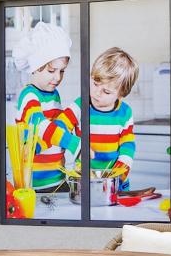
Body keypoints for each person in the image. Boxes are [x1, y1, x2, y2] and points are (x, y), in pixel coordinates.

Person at [44, 46, 138, 197]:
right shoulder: (80, 105)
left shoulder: (125, 113)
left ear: (121, 94)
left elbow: (128, 144)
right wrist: (74, 144)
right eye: (95, 83)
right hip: (85, 178)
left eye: (106, 91)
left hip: (115, 179)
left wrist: (121, 170)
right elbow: (59, 126)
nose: (96, 92)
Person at [12, 20, 72, 192]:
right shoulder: (29, 96)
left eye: (62, 71)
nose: (58, 77)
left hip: (59, 179)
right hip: (34, 185)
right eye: (51, 71)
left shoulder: (54, 94)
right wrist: (74, 144)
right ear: (34, 67)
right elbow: (41, 127)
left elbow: (58, 128)